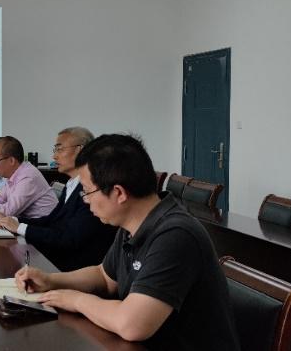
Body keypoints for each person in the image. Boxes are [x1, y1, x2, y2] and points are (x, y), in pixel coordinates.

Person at [14, 134, 239, 349]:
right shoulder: (132, 224)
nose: (86, 201)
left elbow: (132, 325)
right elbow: (104, 277)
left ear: (119, 193)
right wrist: (50, 280)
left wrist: (76, 301)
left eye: (87, 192)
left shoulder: (176, 234)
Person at [0, 127, 115, 271]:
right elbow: (51, 221)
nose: (54, 156)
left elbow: (69, 239)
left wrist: (19, 227)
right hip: (60, 259)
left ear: (80, 150)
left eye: (59, 149)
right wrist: (14, 221)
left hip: (75, 269)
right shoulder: (72, 184)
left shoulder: (91, 189)